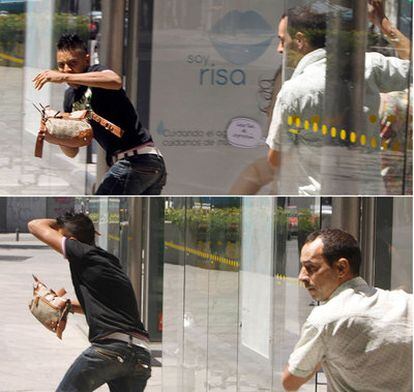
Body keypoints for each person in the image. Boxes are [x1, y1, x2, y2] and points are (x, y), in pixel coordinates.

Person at [266, 4, 410, 195]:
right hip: (369, 192)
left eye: (283, 41)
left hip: (316, 194)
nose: (279, 49)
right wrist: (383, 23)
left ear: (300, 40)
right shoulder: (368, 65)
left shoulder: (293, 92)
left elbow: (275, 159)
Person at [28, 212, 152, 391]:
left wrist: (62, 223)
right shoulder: (107, 261)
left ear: (71, 240)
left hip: (111, 349)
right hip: (140, 354)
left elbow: (35, 224)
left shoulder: (81, 252)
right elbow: (103, 307)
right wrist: (67, 304)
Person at [33, 33, 166, 195]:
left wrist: (62, 76)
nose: (67, 69)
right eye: (61, 65)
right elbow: (72, 152)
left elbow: (115, 81)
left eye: (72, 63)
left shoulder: (96, 73)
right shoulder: (70, 97)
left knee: (101, 207)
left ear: (86, 59)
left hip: (137, 161)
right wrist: (56, 130)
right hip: (144, 165)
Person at [282, 228, 412, 391]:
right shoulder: (406, 303)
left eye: (311, 267)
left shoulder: (325, 320)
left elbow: (290, 381)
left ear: (341, 268)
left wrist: (318, 355)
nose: (302, 276)